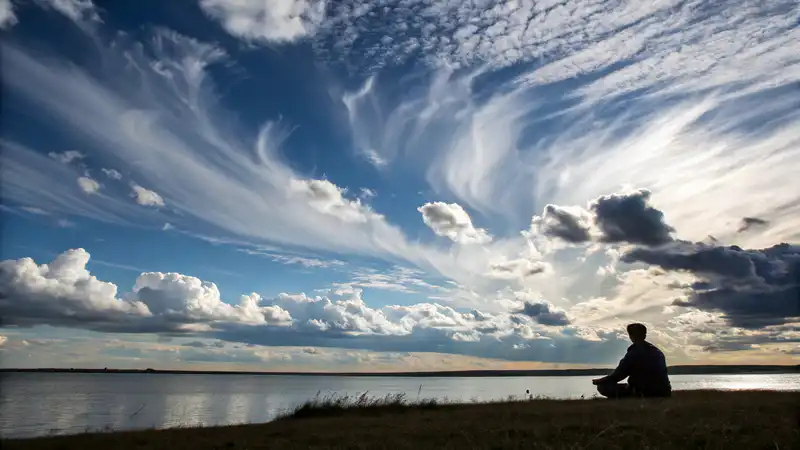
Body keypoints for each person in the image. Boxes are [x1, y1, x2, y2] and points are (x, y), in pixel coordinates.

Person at [591, 323, 672, 399]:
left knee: (603, 387)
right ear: (645, 335)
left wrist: (600, 381)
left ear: (631, 336)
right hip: (664, 391)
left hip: (643, 391)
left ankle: (633, 395)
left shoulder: (634, 352)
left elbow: (618, 375)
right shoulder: (657, 351)